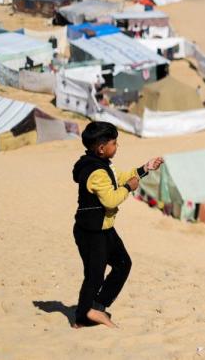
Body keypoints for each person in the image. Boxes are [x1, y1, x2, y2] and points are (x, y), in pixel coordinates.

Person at [72, 122, 162, 329]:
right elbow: (111, 200)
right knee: (94, 275)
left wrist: (144, 169)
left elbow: (120, 177)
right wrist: (129, 188)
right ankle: (82, 318)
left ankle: (98, 306)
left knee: (123, 264)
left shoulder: (104, 165)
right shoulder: (95, 172)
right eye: (114, 143)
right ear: (101, 148)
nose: (117, 146)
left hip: (105, 228)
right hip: (91, 232)